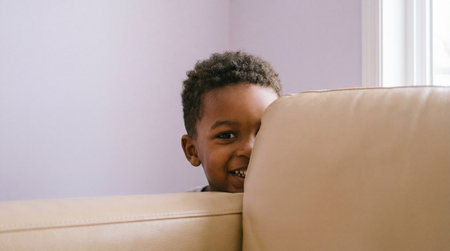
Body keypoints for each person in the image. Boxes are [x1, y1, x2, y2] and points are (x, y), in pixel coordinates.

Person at [181, 51, 282, 192]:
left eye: (264, 133)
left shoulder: (300, 206)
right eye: (227, 136)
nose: (250, 150)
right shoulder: (182, 212)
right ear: (192, 151)